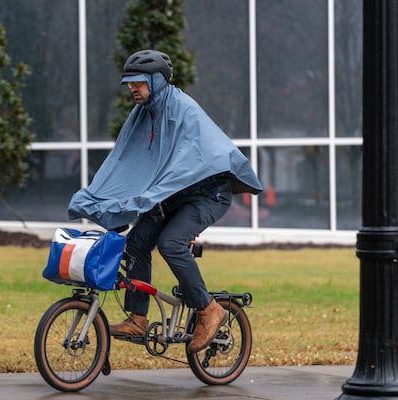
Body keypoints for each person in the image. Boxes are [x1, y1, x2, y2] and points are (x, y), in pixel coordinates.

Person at [68, 49, 263, 353]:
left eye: (139, 82)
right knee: (135, 243)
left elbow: (181, 167)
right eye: (129, 82)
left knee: (171, 242)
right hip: (172, 196)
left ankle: (209, 309)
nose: (133, 88)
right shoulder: (142, 113)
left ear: (156, 81)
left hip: (207, 194)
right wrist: (98, 198)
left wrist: (143, 200)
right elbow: (123, 162)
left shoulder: (182, 110)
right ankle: (138, 318)